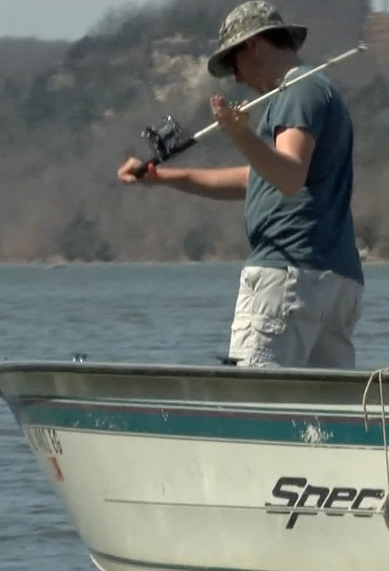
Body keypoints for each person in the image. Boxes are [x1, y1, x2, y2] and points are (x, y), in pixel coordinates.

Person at [116, 1, 363, 369]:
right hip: (335, 281)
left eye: (233, 64)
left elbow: (289, 176)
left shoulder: (298, 91)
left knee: (255, 400)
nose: (236, 78)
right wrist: (164, 178)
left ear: (253, 45)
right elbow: (260, 177)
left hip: (289, 278)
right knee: (322, 416)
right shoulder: (312, 91)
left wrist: (240, 134)